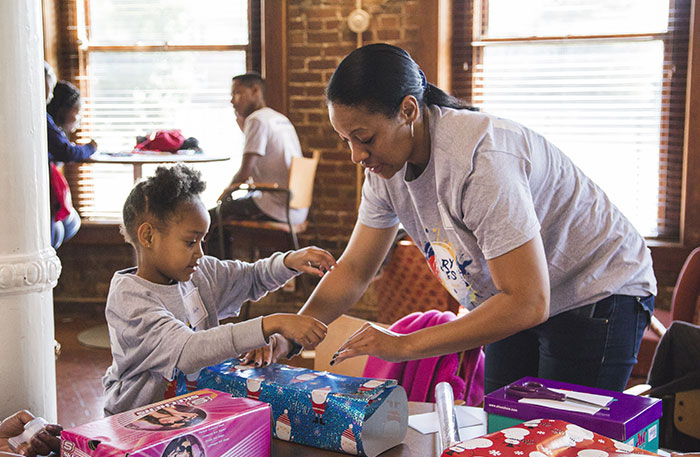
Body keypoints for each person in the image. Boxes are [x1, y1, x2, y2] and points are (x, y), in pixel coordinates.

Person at [245, 43, 657, 395]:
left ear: (408, 110)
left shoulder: (480, 159)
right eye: (346, 140)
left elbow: (528, 301)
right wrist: (292, 335)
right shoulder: (386, 171)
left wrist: (404, 344)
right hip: (515, 297)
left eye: (365, 138)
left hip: (596, 290)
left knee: (562, 443)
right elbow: (354, 270)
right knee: (505, 430)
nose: (356, 156)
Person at [102, 163, 336, 415]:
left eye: (202, 240)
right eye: (190, 242)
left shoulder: (199, 271)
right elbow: (188, 350)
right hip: (136, 423)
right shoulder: (130, 300)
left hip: (188, 414)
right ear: (148, 237)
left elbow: (251, 277)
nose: (199, 252)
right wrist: (271, 323)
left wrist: (288, 262)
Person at [209, 72, 306, 257]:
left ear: (255, 91)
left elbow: (244, 175)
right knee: (225, 212)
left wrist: (224, 194)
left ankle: (218, 281)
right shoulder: (279, 118)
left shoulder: (257, 119)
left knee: (212, 219)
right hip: (296, 206)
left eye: (237, 93)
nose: (232, 101)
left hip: (275, 204)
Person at [44, 65, 98, 248]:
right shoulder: (43, 119)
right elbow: (67, 152)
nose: (48, 96)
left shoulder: (48, 122)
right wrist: (91, 147)